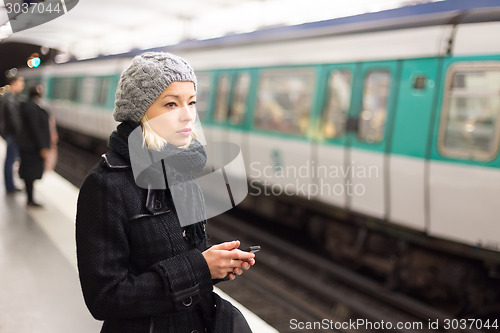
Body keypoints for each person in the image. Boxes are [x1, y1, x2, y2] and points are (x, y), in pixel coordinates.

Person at [76, 52, 256, 333]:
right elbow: (105, 298)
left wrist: (215, 265)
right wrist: (200, 267)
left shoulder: (182, 173)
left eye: (192, 102)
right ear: (140, 111)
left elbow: (188, 259)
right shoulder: (106, 185)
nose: (187, 115)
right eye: (171, 104)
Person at [18, 84, 51, 207]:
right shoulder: (32, 107)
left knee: (29, 173)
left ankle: (30, 198)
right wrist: (42, 147)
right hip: (31, 147)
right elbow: (35, 129)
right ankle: (30, 199)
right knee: (30, 173)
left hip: (28, 146)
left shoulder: (29, 105)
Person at [0, 76, 24, 194]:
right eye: (21, 82)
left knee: (10, 160)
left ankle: (10, 184)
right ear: (13, 83)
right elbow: (14, 119)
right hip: (12, 133)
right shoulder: (10, 98)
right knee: (10, 160)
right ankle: (10, 186)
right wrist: (21, 133)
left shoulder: (9, 97)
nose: (22, 85)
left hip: (8, 132)